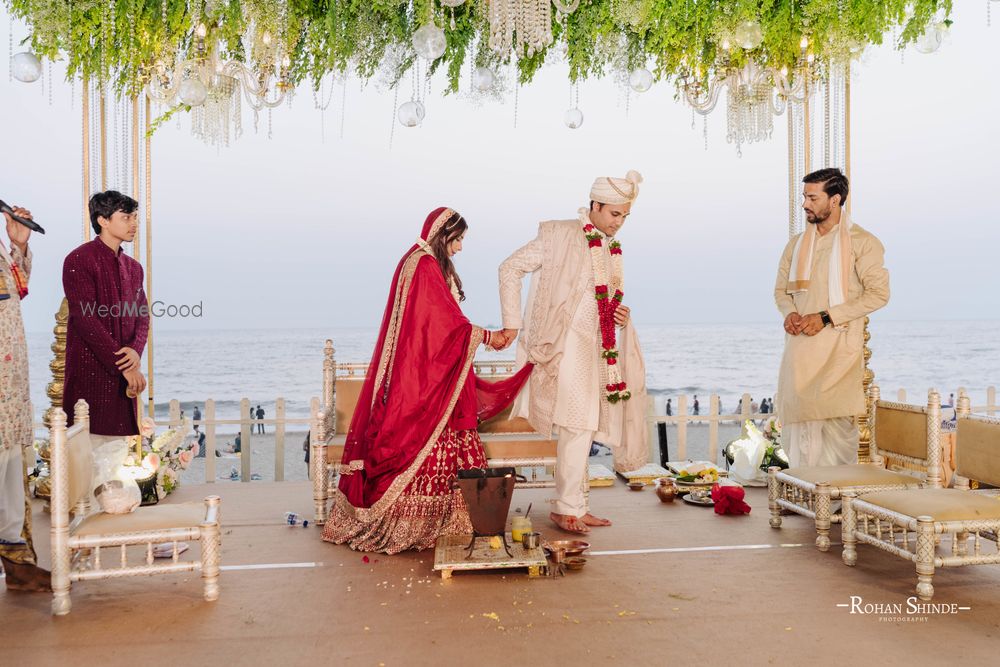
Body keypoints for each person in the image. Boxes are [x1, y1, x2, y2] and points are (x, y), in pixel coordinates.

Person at [322, 208, 530, 554]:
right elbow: (441, 323)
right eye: (458, 239)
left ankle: (453, 519)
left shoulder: (421, 262)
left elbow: (438, 322)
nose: (460, 247)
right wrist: (487, 336)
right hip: (428, 378)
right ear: (442, 234)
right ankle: (424, 523)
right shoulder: (423, 264)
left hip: (435, 372)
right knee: (422, 442)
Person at [498, 171, 649, 535]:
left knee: (584, 426)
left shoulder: (609, 249)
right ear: (594, 205)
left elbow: (599, 302)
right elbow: (509, 268)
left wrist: (619, 316)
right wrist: (513, 325)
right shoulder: (560, 235)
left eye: (625, 216)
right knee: (578, 425)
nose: (619, 222)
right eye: (614, 214)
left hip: (594, 350)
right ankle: (567, 508)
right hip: (562, 348)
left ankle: (576, 506)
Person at [775, 168, 890, 467]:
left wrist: (826, 317)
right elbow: (781, 292)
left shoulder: (863, 242)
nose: (805, 204)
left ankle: (833, 494)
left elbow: (879, 294)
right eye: (804, 197)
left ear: (835, 199)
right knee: (798, 432)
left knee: (836, 430)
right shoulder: (796, 245)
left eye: (813, 198)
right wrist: (790, 313)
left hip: (838, 350)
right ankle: (803, 490)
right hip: (800, 351)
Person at [63, 191, 149, 445]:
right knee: (85, 451)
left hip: (124, 376)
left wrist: (135, 352)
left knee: (117, 453)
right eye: (126, 217)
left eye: (135, 217)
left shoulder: (133, 267)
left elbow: (142, 315)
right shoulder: (79, 259)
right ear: (103, 220)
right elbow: (86, 320)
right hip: (90, 370)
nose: (134, 224)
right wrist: (125, 365)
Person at [0, 202, 50, 592]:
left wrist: (17, 245)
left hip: (10, 382)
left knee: (10, 466)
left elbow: (15, 291)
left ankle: (16, 561)